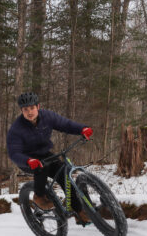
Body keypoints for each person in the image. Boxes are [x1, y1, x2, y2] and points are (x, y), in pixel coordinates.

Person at [6, 92, 93, 224]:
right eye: (25, 109)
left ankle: (78, 212)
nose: (29, 112)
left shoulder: (47, 116)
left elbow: (66, 124)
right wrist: (28, 161)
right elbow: (14, 153)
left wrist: (82, 129)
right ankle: (39, 196)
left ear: (38, 107)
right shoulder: (16, 129)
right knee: (41, 167)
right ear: (21, 111)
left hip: (44, 153)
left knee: (63, 173)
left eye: (32, 108)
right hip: (27, 159)